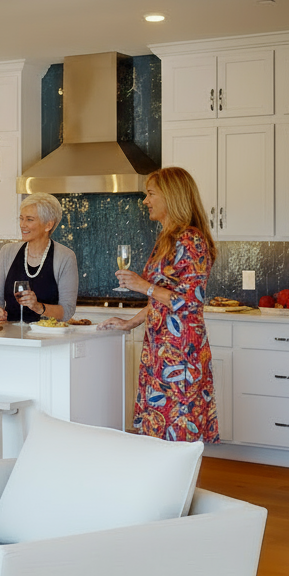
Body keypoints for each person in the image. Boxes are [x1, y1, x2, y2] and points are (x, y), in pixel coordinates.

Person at [98, 167, 219, 443]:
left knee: (178, 427)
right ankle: (164, 484)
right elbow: (161, 299)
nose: (145, 200)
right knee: (159, 428)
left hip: (181, 349)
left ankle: (180, 485)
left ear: (172, 196)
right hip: (159, 346)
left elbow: (189, 302)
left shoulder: (191, 240)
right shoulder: (168, 238)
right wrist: (130, 323)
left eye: (150, 193)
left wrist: (143, 285)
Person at [0, 192, 79, 324]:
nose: (23, 225)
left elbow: (67, 310)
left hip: (46, 337)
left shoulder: (65, 257)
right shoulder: (7, 252)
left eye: (29, 220)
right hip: (8, 336)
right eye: (21, 218)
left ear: (48, 225)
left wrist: (38, 307)